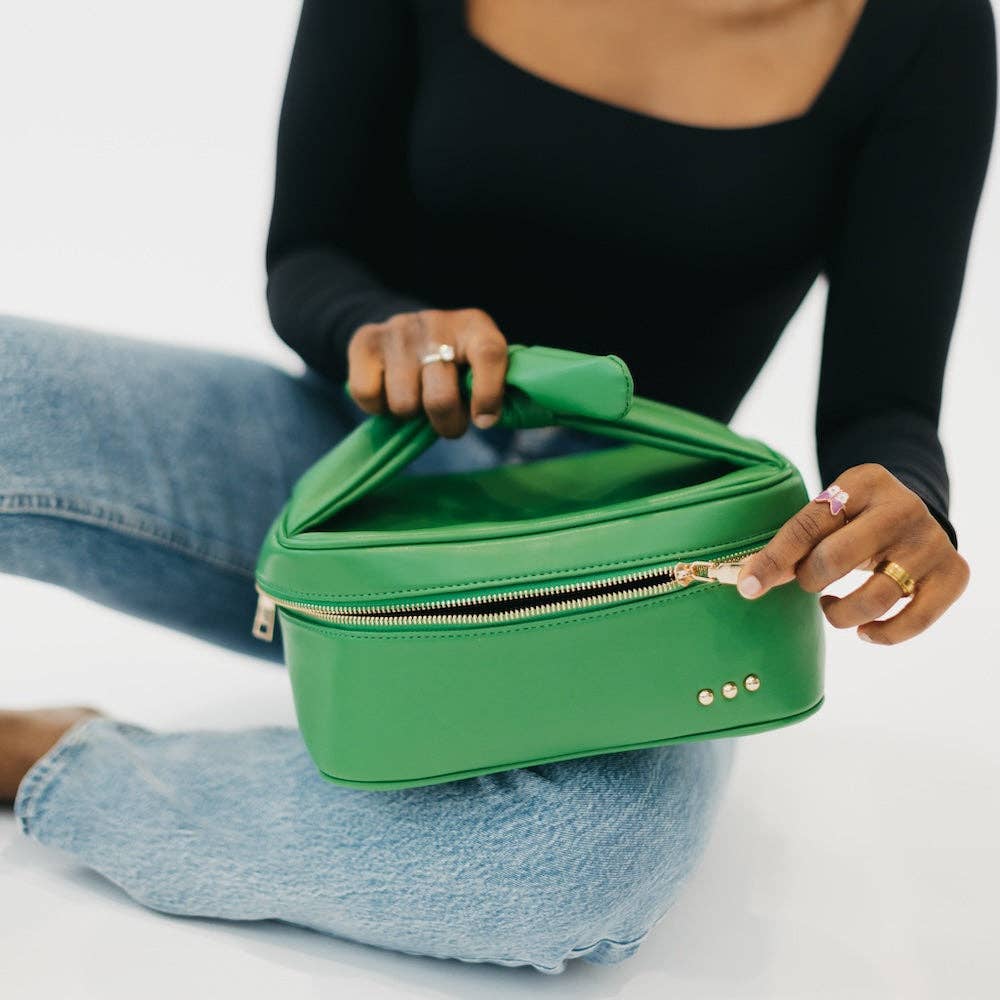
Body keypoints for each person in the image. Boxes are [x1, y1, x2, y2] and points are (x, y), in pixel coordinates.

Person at [0, 0, 994, 976]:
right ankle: (368, 751)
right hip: (355, 483)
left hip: (642, 579)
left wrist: (909, 494)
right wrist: (377, 326)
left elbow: (882, 401)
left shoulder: (923, 28)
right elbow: (309, 251)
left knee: (569, 867)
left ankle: (44, 756)